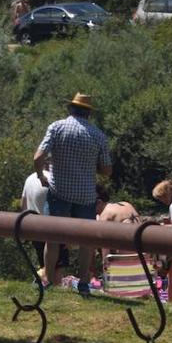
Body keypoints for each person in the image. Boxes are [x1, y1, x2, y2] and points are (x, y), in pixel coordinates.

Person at [34, 92, 112, 294]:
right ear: (89, 113)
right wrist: (88, 165)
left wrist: (41, 176)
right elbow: (106, 170)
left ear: (70, 109)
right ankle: (84, 283)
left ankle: (49, 281)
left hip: (59, 191)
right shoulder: (98, 135)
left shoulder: (57, 127)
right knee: (86, 242)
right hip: (86, 195)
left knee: (52, 239)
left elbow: (38, 156)